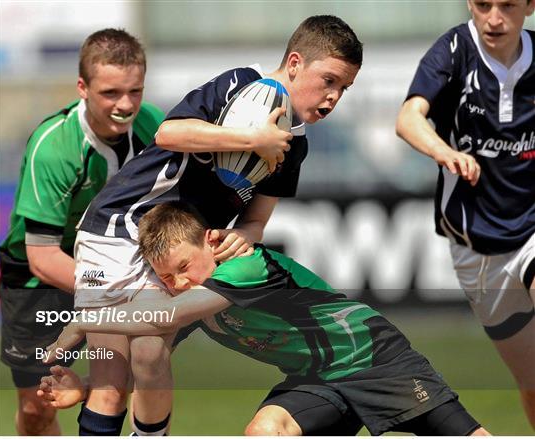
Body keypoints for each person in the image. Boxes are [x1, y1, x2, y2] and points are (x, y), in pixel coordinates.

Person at [71, 15, 362, 436]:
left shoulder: (294, 145)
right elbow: (170, 132)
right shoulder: (240, 83)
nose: (334, 97)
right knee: (112, 381)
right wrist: (251, 141)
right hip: (117, 228)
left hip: (174, 250)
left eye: (344, 89)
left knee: (150, 354)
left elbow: (257, 219)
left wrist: (245, 234)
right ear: (295, 63)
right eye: (329, 80)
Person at [42, 201, 490, 436]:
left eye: (184, 266)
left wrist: (86, 322)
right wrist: (84, 387)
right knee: (264, 431)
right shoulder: (193, 298)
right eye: (166, 276)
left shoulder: (244, 265)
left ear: (210, 241)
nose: (178, 281)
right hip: (316, 380)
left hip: (378, 361)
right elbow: (148, 368)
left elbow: (167, 314)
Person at [0, 29, 164, 435]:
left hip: (111, 270)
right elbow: (42, 256)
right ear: (82, 88)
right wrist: (114, 289)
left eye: (135, 91)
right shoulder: (54, 147)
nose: (125, 105)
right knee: (40, 406)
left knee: (121, 381)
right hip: (40, 279)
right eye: (110, 93)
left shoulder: (155, 127)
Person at [396, 0, 535, 428]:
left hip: (531, 228)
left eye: (507, 5)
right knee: (531, 381)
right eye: (482, 4)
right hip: (478, 249)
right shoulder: (455, 50)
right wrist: (445, 152)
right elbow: (408, 118)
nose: (494, 18)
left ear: (530, 6)